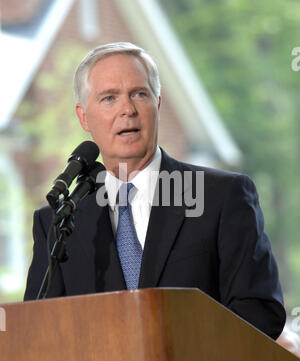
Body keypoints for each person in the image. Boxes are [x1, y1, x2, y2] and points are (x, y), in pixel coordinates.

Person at [24, 42, 286, 340]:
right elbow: (37, 334)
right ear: (84, 117)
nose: (128, 109)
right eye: (109, 98)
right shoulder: (57, 223)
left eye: (139, 94)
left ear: (157, 104)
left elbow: (260, 312)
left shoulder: (221, 197)